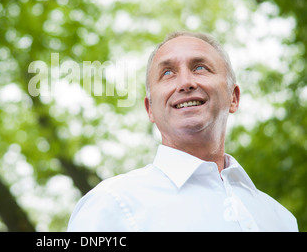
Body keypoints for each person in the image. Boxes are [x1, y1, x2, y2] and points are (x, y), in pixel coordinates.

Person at [67, 31, 298, 231]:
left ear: (233, 98)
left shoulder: (282, 219)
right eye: (167, 73)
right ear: (150, 110)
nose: (185, 83)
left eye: (200, 68)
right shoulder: (111, 203)